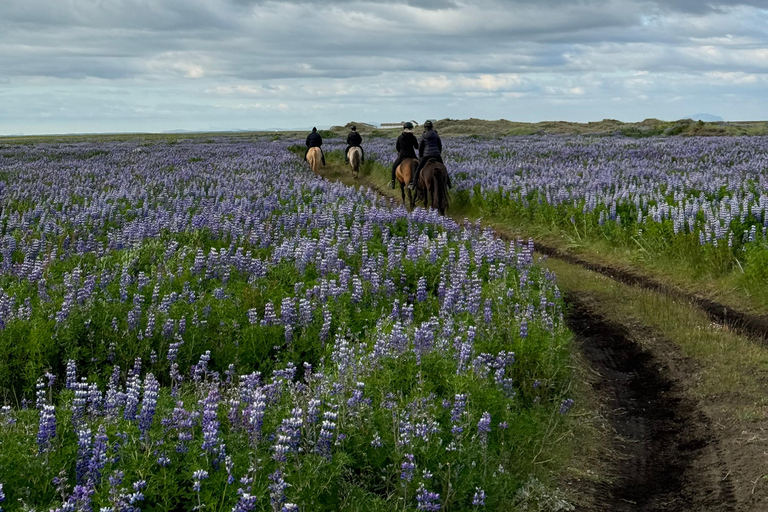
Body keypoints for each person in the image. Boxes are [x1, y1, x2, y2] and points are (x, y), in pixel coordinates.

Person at [410, 120, 452, 189]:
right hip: (436, 155)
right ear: (432, 127)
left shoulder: (423, 135)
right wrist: (438, 153)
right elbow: (439, 145)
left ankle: (414, 183)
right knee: (444, 168)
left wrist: (421, 156)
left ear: (425, 127)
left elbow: (420, 147)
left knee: (419, 168)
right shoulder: (436, 134)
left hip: (426, 155)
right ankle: (449, 184)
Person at [389, 122, 419, 189]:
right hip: (412, 155)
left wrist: (400, 151)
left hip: (402, 156)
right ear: (411, 128)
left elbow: (397, 147)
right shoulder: (413, 137)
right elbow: (416, 147)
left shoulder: (400, 137)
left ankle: (393, 182)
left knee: (394, 167)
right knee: (420, 166)